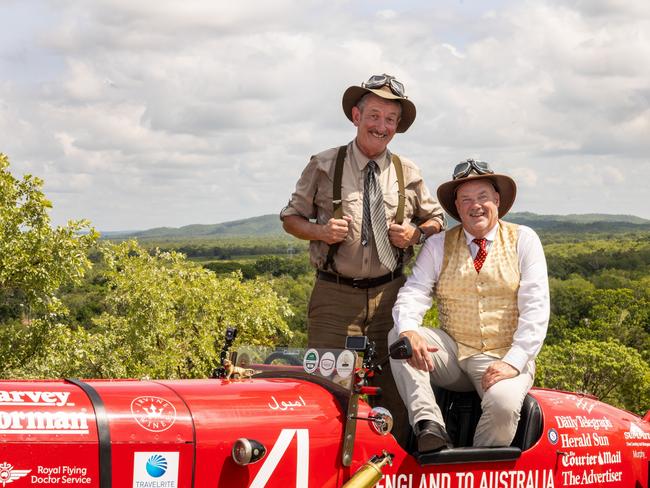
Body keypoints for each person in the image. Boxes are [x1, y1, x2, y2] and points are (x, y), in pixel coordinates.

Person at [280, 74, 445, 443]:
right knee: (326, 388)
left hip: (391, 297)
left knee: (394, 394)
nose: (381, 126)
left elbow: (438, 219)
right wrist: (321, 232)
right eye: (374, 115)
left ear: (397, 127)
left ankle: (394, 470)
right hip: (335, 296)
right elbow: (290, 218)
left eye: (390, 119)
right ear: (356, 115)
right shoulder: (324, 164)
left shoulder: (408, 172)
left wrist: (417, 233)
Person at [389, 159, 549, 452]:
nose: (475, 206)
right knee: (401, 337)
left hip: (504, 354)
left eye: (482, 197)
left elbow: (536, 308)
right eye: (466, 200)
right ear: (457, 207)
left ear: (497, 201)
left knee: (503, 405)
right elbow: (414, 292)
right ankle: (429, 424)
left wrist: (514, 361)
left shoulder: (523, 239)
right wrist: (409, 329)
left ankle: (471, 470)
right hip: (453, 353)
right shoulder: (438, 244)